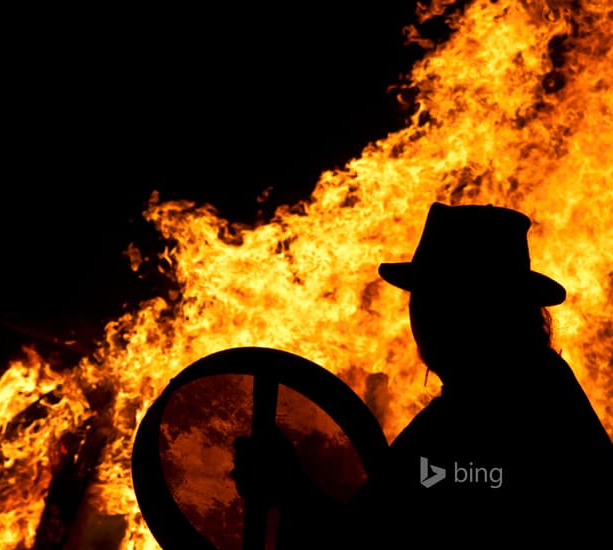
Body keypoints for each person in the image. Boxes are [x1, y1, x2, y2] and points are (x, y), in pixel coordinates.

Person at [232, 202, 613, 545]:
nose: (421, 314)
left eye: (438, 297)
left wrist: (292, 491)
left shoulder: (497, 411)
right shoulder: (529, 387)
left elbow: (390, 538)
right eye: (421, 298)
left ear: (485, 306)